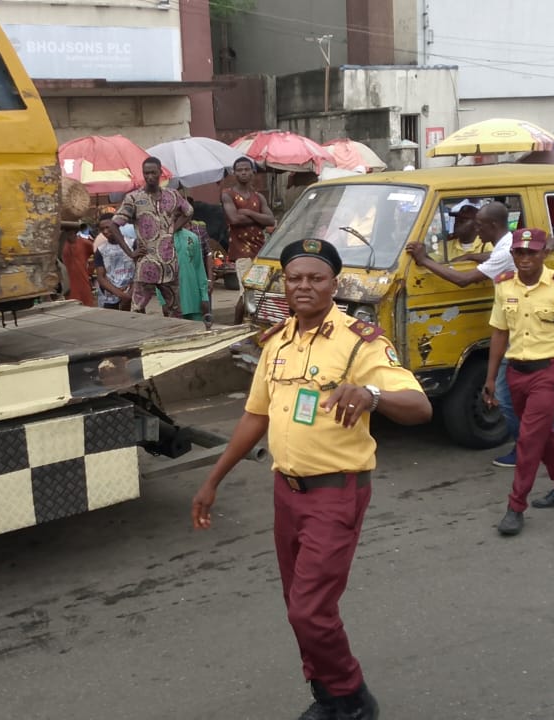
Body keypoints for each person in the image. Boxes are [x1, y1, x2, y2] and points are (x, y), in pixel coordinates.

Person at [190, 238, 431, 720]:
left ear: (333, 284)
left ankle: (354, 698)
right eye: (295, 277)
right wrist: (212, 480)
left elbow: (420, 406)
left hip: (335, 493)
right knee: (297, 605)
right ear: (285, 283)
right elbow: (254, 417)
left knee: (309, 610)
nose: (304, 286)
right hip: (287, 493)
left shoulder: (359, 341)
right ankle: (328, 696)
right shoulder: (276, 341)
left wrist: (371, 395)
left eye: (315, 278)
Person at [482, 229, 554, 537]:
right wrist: (491, 378)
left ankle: (515, 507)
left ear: (545, 253)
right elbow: (499, 333)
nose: (525, 259)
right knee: (541, 433)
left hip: (549, 372)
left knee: (529, 439)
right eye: (520, 252)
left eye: (532, 253)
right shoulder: (504, 285)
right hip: (515, 372)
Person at [406, 201, 521, 467]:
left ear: (492, 226)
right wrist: (472, 257)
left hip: (516, 324)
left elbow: (463, 280)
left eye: (480, 225)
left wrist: (424, 261)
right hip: (510, 321)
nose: (476, 231)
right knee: (513, 390)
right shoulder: (507, 244)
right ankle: (531, 445)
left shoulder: (505, 252)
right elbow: (493, 259)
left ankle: (524, 448)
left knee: (504, 394)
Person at [114, 157, 192, 317]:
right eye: (146, 173)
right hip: (146, 264)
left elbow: (189, 212)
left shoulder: (173, 195)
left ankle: (174, 338)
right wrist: (130, 253)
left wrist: (172, 229)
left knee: (175, 310)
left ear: (160, 173)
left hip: (169, 263)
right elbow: (113, 225)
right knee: (137, 309)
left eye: (153, 173)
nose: (149, 176)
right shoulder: (134, 198)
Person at [223, 156, 276, 323]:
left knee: (259, 292)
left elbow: (271, 220)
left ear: (253, 172)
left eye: (247, 169)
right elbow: (234, 219)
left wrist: (249, 213)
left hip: (260, 251)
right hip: (241, 252)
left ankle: (251, 327)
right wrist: (259, 219)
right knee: (246, 292)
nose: (243, 172)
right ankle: (236, 329)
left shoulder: (258, 197)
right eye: (240, 170)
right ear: (234, 173)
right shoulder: (227, 194)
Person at [170, 223, 213, 327]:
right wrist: (163, 301)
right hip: (172, 301)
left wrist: (204, 297)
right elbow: (159, 273)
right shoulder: (162, 240)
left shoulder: (192, 237)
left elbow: (199, 268)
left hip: (194, 300)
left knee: (197, 335)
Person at [94, 213, 135, 311]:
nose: (105, 231)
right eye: (102, 229)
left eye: (108, 227)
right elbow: (101, 277)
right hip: (111, 297)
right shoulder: (101, 250)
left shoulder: (132, 244)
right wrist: (121, 295)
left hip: (133, 294)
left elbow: (140, 270)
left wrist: (130, 294)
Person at [61, 221, 97, 307]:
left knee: (87, 307)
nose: (70, 234)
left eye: (72, 231)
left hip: (83, 282)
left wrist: (91, 269)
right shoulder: (61, 245)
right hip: (68, 284)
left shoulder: (84, 243)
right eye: (67, 231)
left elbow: (98, 254)